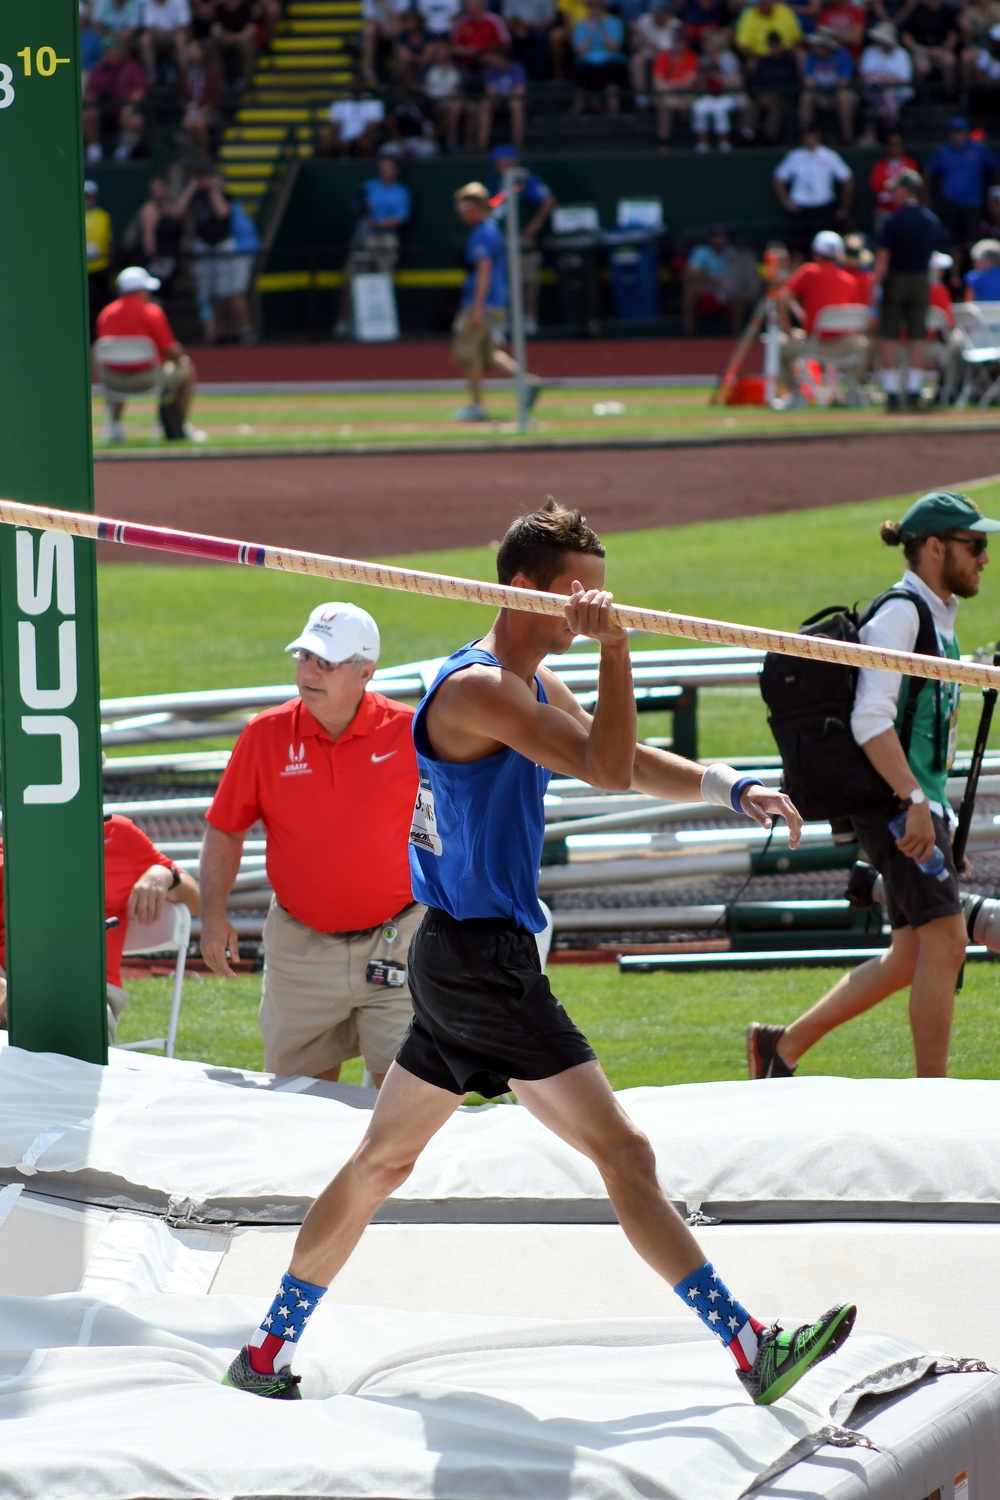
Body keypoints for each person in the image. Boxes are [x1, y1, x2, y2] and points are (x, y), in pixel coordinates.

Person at [221, 499, 856, 1406]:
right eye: (581, 594)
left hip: (453, 955)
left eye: (602, 596)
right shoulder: (478, 688)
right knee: (624, 1155)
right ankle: (752, 1347)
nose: (597, 606)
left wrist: (730, 784)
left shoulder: (526, 684)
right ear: (524, 590)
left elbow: (621, 756)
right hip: (480, 965)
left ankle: (264, 1349)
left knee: (380, 1164)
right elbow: (602, 767)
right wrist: (615, 646)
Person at [749, 492, 999, 1082]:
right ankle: (930, 1094)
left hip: (912, 800)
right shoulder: (901, 615)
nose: (985, 558)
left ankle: (779, 1047)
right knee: (946, 936)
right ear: (935, 548)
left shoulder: (936, 617)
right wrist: (915, 804)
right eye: (975, 546)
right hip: (897, 801)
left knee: (912, 952)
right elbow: (869, 719)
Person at [201, 603, 422, 1085]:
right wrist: (213, 916)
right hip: (299, 951)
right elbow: (225, 828)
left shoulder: (412, 730)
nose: (309, 671)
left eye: (326, 661)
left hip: (400, 943)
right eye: (305, 657)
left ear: (367, 672)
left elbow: (452, 821)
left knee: (404, 1100)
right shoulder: (265, 734)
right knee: (297, 1103)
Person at [0, 821, 200, 1044]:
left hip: (89, 986)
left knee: (72, 1011)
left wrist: (164, 874)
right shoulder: (11, 839)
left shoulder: (116, 832)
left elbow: (194, 900)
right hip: (8, 979)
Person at [451, 182, 540, 421]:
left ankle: (477, 406)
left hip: (483, 302)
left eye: (464, 207)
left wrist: (477, 308)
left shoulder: (484, 232)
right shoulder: (487, 229)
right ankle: (527, 382)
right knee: (488, 353)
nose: (460, 213)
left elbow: (484, 272)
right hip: (493, 302)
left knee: (469, 353)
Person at [95, 265, 202, 442]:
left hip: (111, 380)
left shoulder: (106, 314)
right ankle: (178, 426)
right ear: (141, 291)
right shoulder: (152, 312)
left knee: (119, 366)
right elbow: (171, 350)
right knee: (187, 370)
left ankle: (115, 427)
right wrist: (180, 360)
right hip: (148, 379)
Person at [874, 167, 945, 408]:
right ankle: (914, 390)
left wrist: (875, 286)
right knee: (917, 336)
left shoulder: (892, 220)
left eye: (897, 189)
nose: (894, 193)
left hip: (896, 279)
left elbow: (884, 257)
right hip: (920, 280)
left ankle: (892, 392)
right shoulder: (930, 220)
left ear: (905, 191)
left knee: (889, 336)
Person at [778, 228, 868, 385]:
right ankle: (852, 394)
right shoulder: (850, 281)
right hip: (845, 347)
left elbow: (783, 297)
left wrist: (787, 329)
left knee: (779, 347)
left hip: (812, 345)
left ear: (816, 253)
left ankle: (795, 394)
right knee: (863, 344)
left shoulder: (808, 272)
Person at [335, 156, 411, 337]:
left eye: (388, 167)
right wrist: (364, 209)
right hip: (363, 237)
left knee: (385, 279)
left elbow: (400, 218)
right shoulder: (368, 186)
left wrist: (378, 224)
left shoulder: (402, 192)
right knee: (351, 277)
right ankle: (344, 321)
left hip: (386, 240)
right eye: (382, 167)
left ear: (396, 170)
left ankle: (386, 323)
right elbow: (356, 208)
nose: (384, 170)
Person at [177, 167, 254, 344]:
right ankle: (218, 332)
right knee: (210, 294)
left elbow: (222, 212)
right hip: (204, 246)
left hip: (224, 246)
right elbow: (178, 211)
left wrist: (214, 189)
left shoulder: (224, 195)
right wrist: (191, 187)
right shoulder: (195, 197)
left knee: (231, 291)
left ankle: (243, 330)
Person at [487, 145, 555, 335]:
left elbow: (548, 199)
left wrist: (535, 225)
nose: (496, 164)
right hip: (499, 239)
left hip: (521, 240)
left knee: (527, 280)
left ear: (511, 161)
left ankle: (529, 319)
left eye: (500, 160)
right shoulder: (495, 180)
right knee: (501, 281)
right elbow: (491, 206)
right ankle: (504, 320)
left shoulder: (526, 179)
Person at [773, 126, 855, 259]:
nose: (809, 139)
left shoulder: (830, 156)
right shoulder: (794, 156)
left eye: (812, 135)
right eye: (806, 136)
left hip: (823, 211)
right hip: (800, 211)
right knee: (797, 250)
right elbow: (778, 178)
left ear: (818, 136)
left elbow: (848, 179)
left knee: (823, 252)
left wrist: (844, 207)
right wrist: (786, 201)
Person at [926, 117, 999, 256]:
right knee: (949, 241)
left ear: (966, 133)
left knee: (973, 239)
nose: (958, 135)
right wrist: (927, 195)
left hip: (972, 203)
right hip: (950, 203)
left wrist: (996, 187)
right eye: (954, 132)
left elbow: (995, 166)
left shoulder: (979, 150)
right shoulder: (943, 152)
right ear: (950, 134)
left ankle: (974, 270)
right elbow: (929, 171)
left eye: (960, 131)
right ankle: (953, 274)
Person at [83, 36, 147, 163]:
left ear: (119, 51)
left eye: (109, 50)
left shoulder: (131, 67)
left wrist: (128, 107)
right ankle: (94, 152)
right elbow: (90, 93)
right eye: (105, 51)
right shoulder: (99, 68)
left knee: (134, 121)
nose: (106, 54)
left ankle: (124, 151)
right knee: (86, 117)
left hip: (124, 108)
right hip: (103, 109)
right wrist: (92, 106)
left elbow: (139, 91)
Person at [682, 225, 754, 334]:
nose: (719, 240)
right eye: (716, 237)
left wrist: (727, 282)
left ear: (727, 239)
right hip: (707, 292)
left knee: (740, 294)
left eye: (722, 237)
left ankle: (736, 336)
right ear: (710, 239)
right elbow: (691, 273)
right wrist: (713, 279)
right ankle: (689, 333)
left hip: (729, 292)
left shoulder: (733, 252)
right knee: (690, 291)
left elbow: (741, 276)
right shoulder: (701, 252)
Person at [690, 30, 746, 153]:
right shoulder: (704, 59)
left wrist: (720, 78)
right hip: (709, 95)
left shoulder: (729, 58)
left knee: (719, 108)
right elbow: (699, 85)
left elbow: (737, 85)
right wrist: (702, 79)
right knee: (699, 107)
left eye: (707, 43)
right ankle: (702, 144)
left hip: (728, 95)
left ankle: (724, 144)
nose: (704, 46)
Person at [857, 22, 914, 145]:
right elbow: (864, 75)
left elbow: (903, 80)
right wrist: (882, 79)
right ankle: (886, 121)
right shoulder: (870, 52)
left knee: (877, 101)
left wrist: (881, 78)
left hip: (897, 93)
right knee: (875, 91)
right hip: (872, 92)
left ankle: (870, 134)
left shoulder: (901, 54)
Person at [569, 0, 627, 115]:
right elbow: (579, 51)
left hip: (610, 59)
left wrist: (602, 28)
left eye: (596, 8)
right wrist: (590, 33)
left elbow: (614, 48)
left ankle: (613, 106)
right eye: (591, 8)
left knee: (611, 69)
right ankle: (578, 105)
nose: (594, 11)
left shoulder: (614, 22)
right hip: (588, 61)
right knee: (582, 69)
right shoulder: (582, 24)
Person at [800, 29, 856, 144]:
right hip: (820, 93)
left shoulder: (842, 54)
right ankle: (805, 134)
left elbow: (844, 81)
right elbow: (808, 81)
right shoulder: (811, 55)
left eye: (817, 46)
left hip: (837, 94)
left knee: (843, 96)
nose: (814, 48)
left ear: (825, 46)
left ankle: (847, 136)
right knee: (806, 96)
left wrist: (825, 85)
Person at [747, 29, 800, 143]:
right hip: (765, 96)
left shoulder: (789, 60)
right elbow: (758, 82)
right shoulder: (764, 61)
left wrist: (776, 96)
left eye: (776, 45)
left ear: (781, 45)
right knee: (753, 105)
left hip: (783, 97)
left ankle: (769, 138)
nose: (774, 48)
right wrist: (763, 96)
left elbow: (791, 82)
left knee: (775, 108)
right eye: (772, 45)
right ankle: (747, 134)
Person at [139, 175, 186, 295]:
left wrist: (192, 185)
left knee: (168, 293)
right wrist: (153, 256)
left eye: (160, 187)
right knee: (157, 293)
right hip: (158, 259)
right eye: (154, 188)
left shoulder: (169, 207)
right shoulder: (150, 208)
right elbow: (148, 235)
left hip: (172, 257)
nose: (157, 191)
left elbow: (179, 212)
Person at [320, 73, 387, 157]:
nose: (354, 85)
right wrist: (336, 139)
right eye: (353, 82)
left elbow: (374, 124)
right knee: (326, 144)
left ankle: (364, 169)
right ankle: (329, 170)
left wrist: (357, 139)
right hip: (343, 139)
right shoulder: (340, 101)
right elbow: (334, 124)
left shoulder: (373, 101)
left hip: (362, 138)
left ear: (363, 84)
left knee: (365, 144)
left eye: (357, 82)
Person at [652, 29, 699, 143]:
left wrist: (668, 84)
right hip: (666, 95)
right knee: (664, 101)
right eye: (676, 42)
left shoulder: (692, 57)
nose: (678, 45)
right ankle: (664, 139)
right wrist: (675, 87)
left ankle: (692, 139)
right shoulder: (662, 57)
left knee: (680, 98)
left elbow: (689, 83)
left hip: (687, 94)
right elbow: (658, 83)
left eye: (682, 42)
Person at [179, 38, 224, 155]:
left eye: (195, 50)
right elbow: (183, 95)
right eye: (191, 51)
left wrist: (207, 107)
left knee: (199, 124)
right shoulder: (185, 72)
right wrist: (187, 105)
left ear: (203, 53)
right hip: (192, 108)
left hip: (208, 109)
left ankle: (205, 154)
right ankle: (195, 153)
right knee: (188, 124)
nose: (192, 53)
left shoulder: (212, 72)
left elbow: (216, 95)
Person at [901, 0, 960, 89]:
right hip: (920, 50)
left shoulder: (947, 11)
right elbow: (905, 35)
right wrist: (916, 48)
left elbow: (953, 35)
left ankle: (950, 96)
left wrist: (943, 48)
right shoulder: (916, 10)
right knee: (922, 67)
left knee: (949, 61)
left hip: (940, 50)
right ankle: (916, 95)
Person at [629, 0, 679, 105]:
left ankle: (657, 99)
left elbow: (665, 52)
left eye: (658, 13)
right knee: (636, 60)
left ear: (666, 13)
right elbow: (633, 47)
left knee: (660, 61)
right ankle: (641, 98)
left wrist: (643, 37)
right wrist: (633, 34)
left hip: (667, 60)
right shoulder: (644, 20)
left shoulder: (675, 25)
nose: (655, 16)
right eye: (654, 13)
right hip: (647, 58)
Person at [869, 130, 919, 233]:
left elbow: (914, 185)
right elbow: (876, 186)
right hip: (885, 210)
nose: (895, 147)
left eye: (898, 144)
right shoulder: (880, 165)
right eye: (891, 144)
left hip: (905, 212)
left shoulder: (910, 163)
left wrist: (890, 184)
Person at [478, 48, 528, 148]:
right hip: (498, 101)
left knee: (516, 104)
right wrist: (501, 95)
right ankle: (482, 144)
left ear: (502, 58)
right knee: (485, 103)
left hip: (513, 100)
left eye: (495, 58)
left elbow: (520, 90)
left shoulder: (516, 67)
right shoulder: (490, 71)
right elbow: (490, 91)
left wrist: (506, 94)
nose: (492, 61)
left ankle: (518, 143)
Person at [85, 180, 115, 340]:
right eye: (85, 196)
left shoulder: (103, 216)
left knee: (103, 304)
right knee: (88, 306)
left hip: (102, 267)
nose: (87, 200)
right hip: (85, 270)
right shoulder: (75, 215)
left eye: (89, 196)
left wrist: (110, 264)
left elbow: (109, 242)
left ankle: (104, 335)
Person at [502, 0, 557, 79]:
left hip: (538, 27)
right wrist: (518, 28)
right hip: (516, 27)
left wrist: (528, 26)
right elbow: (507, 18)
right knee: (507, 36)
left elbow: (550, 20)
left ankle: (540, 75)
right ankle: (512, 74)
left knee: (540, 36)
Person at [139, 0, 191, 84]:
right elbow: (148, 25)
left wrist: (168, 33)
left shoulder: (180, 1)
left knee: (180, 39)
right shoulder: (150, 2)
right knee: (145, 40)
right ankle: (151, 77)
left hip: (174, 35)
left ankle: (184, 76)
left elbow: (183, 25)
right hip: (157, 36)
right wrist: (158, 33)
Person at [735, 0, 803, 61]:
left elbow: (797, 39)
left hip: (785, 53)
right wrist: (758, 56)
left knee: (800, 55)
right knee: (752, 63)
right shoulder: (748, 16)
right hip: (759, 56)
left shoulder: (785, 12)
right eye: (762, 2)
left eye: (766, 2)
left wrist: (785, 51)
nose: (764, 3)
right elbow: (742, 46)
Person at [211, 0, 259, 85]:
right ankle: (218, 81)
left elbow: (251, 30)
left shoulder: (245, 7)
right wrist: (223, 36)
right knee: (211, 45)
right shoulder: (220, 8)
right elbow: (215, 29)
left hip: (240, 37)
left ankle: (247, 81)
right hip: (225, 38)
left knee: (248, 45)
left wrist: (235, 37)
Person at [362, 0, 410, 79]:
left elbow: (401, 17)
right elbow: (369, 18)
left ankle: (401, 70)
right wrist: (384, 25)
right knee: (369, 30)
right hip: (379, 26)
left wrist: (383, 5)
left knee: (399, 29)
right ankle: (368, 69)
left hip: (395, 24)